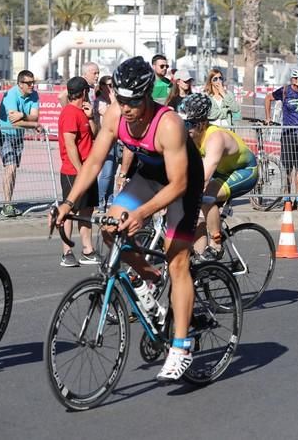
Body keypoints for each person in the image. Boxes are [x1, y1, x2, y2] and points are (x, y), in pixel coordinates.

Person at [53, 56, 204, 382]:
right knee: (110, 227)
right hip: (149, 174)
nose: (127, 108)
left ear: (148, 95)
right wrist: (67, 203)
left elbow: (178, 184)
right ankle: (149, 276)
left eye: (134, 101)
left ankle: (182, 345)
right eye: (121, 100)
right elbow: (92, 163)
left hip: (182, 181)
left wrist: (142, 213)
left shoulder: (168, 124)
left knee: (176, 259)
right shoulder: (114, 115)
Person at [181, 93, 258, 259]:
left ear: (201, 123)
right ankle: (202, 259)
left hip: (244, 170)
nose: (185, 128)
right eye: (182, 123)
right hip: (222, 171)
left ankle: (216, 244)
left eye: (188, 124)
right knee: (197, 217)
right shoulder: (190, 136)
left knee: (205, 197)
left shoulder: (215, 138)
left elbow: (204, 176)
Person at [57, 77, 100, 267]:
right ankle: (67, 252)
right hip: (73, 171)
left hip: (87, 171)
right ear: (83, 92)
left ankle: (88, 250)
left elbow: (94, 134)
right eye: (87, 91)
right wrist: (81, 170)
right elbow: (70, 144)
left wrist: (91, 118)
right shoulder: (69, 113)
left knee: (86, 211)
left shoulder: (82, 112)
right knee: (69, 210)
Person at [264, 67, 298, 209]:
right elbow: (268, 98)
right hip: (288, 135)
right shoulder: (285, 91)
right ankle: (287, 198)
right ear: (294, 80)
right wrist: (268, 118)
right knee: (287, 169)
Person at [0, 70, 42, 218]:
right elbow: (14, 123)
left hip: (18, 136)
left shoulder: (34, 95)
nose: (32, 85)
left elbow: (34, 116)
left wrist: (23, 115)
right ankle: (7, 204)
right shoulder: (11, 95)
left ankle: (9, 201)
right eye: (28, 83)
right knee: (10, 167)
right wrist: (34, 124)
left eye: (33, 82)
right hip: (4, 134)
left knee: (14, 169)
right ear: (20, 84)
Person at [94, 75, 118, 212]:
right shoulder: (99, 102)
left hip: (115, 139)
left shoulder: (113, 101)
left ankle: (109, 199)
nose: (111, 89)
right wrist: (113, 98)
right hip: (104, 139)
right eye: (109, 85)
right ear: (102, 87)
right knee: (107, 171)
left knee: (113, 171)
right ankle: (100, 200)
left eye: (113, 85)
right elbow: (111, 114)